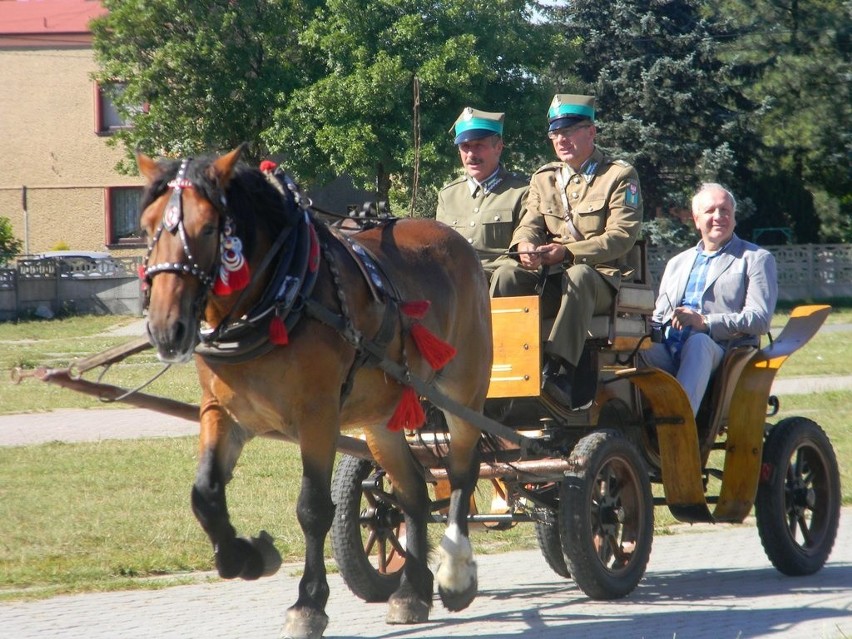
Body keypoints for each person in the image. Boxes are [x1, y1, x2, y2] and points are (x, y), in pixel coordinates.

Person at [490, 94, 643, 410]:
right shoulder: (544, 178)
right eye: (555, 133)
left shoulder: (618, 175)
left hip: (601, 280)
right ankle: (505, 365)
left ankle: (561, 371)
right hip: (552, 276)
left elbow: (621, 237)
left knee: (579, 274)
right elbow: (529, 224)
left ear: (591, 132)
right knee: (506, 273)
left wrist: (568, 253)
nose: (562, 139)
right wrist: (525, 246)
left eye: (570, 131)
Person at [641, 183, 778, 416]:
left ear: (734, 218)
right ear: (696, 219)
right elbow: (658, 316)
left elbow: (759, 320)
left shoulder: (755, 258)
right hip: (668, 349)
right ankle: (624, 432)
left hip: (721, 352)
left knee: (698, 343)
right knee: (629, 347)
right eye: (710, 211)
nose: (718, 217)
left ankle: (678, 430)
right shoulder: (677, 263)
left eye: (725, 210)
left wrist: (704, 322)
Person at [436, 107, 529, 279]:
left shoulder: (521, 191)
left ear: (498, 147)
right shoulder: (448, 195)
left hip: (499, 280)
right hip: (457, 282)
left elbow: (521, 253)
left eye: (479, 145)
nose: (471, 154)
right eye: (465, 146)